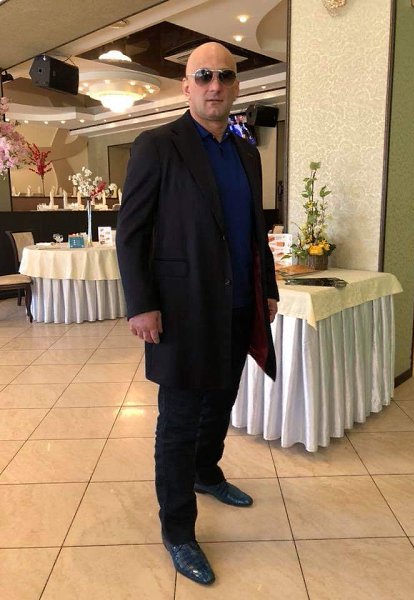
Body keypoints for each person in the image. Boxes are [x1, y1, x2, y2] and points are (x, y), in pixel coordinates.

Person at [116, 42, 278, 586]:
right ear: (186, 85)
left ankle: (207, 473)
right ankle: (179, 531)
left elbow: (255, 231)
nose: (215, 85)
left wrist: (267, 289)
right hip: (181, 311)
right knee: (179, 422)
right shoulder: (158, 145)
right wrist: (142, 304)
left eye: (225, 77)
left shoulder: (247, 152)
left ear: (236, 87)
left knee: (222, 402)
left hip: (238, 306)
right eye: (203, 76)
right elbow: (131, 232)